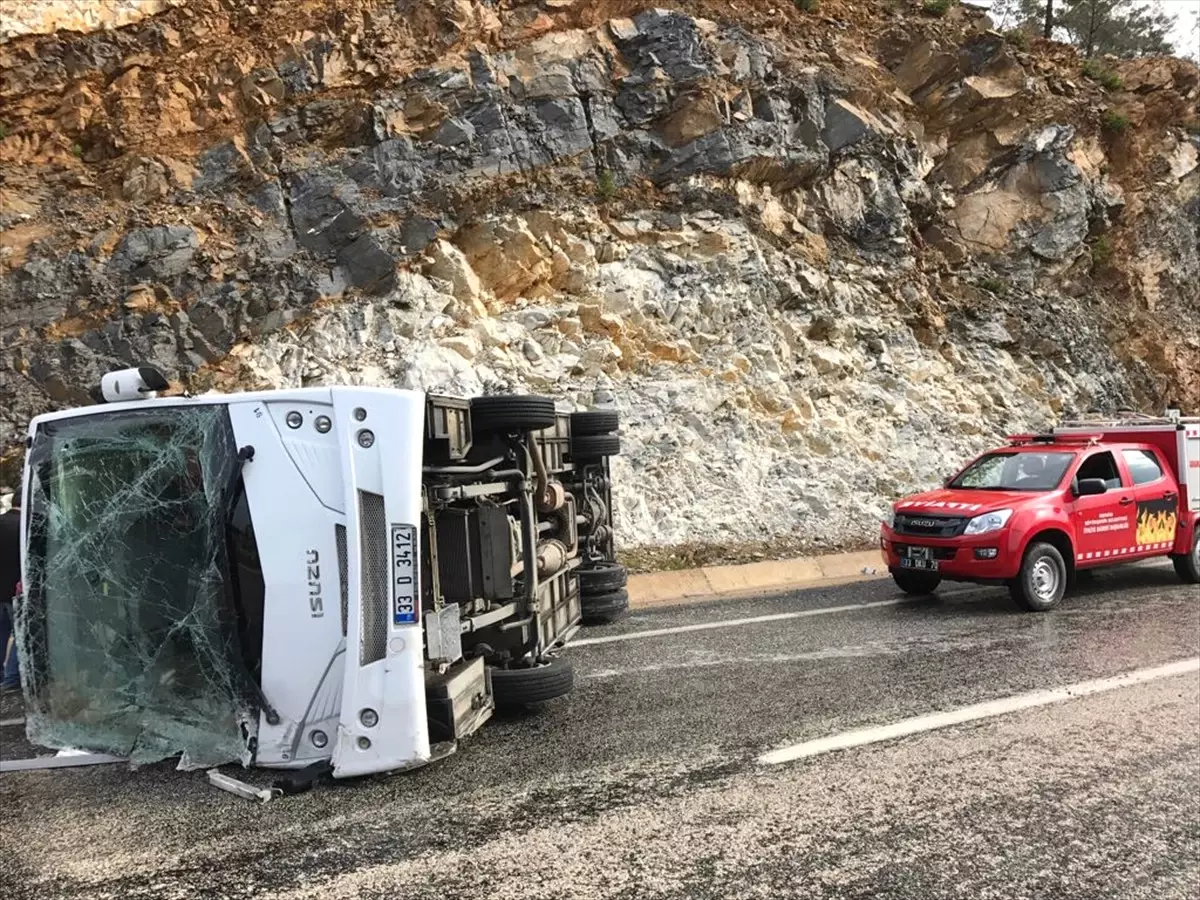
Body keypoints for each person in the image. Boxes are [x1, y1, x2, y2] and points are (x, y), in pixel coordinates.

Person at [1, 480, 23, 691]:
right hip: (15, 592)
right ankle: (11, 678)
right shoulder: (23, 527)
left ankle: (3, 676)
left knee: (1, 633)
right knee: (19, 635)